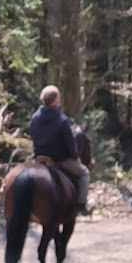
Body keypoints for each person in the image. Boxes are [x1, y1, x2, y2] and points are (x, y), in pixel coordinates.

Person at [30, 85, 91, 215]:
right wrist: (75, 156)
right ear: (56, 101)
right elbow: (70, 142)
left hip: (39, 158)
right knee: (85, 173)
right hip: (59, 159)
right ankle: (80, 205)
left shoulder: (34, 117)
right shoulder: (62, 120)